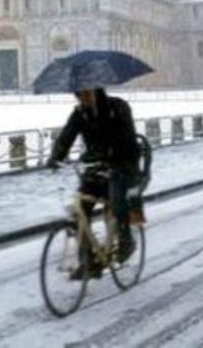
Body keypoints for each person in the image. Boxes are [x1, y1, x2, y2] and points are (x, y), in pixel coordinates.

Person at [47, 87, 139, 276]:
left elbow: (128, 139)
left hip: (122, 166)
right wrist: (56, 156)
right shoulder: (80, 113)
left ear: (97, 92)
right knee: (81, 209)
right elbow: (67, 135)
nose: (84, 98)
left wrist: (114, 157)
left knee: (116, 198)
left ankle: (126, 240)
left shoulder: (118, 107)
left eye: (87, 94)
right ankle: (89, 261)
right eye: (80, 95)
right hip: (96, 168)